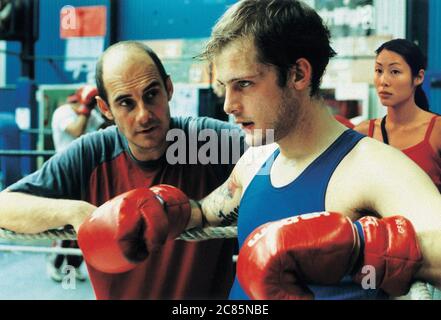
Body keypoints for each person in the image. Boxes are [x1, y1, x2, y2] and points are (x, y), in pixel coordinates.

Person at [175, 0, 439, 300]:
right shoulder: (255, 162)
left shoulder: (374, 167)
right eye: (225, 87)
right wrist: (168, 211)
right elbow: (205, 213)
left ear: (298, 74)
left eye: (245, 84)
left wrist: (359, 246)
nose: (228, 105)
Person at [0, 41, 245, 299]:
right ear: (105, 109)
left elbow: (280, 154)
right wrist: (79, 213)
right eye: (126, 103)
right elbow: (4, 205)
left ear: (168, 89)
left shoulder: (209, 141)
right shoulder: (93, 153)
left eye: (151, 94)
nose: (143, 115)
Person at [354, 39, 441, 193]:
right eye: (379, 71)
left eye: (395, 72)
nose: (383, 81)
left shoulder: (437, 130)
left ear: (418, 77)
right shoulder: (363, 133)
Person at [46, 85, 104, 282]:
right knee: (65, 222)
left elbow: (106, 129)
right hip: (64, 174)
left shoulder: (93, 115)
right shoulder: (63, 112)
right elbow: (77, 130)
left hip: (88, 174)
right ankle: (54, 263)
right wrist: (86, 108)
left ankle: (73, 266)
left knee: (85, 223)